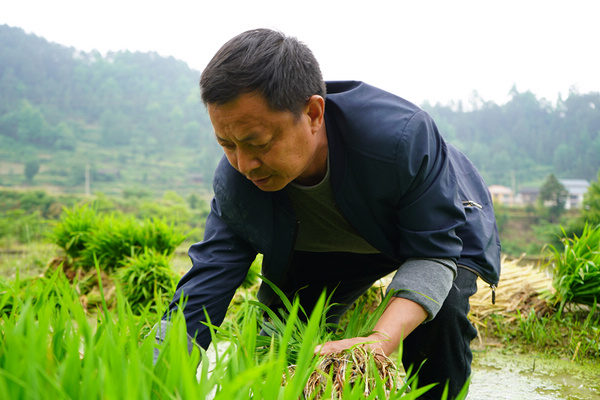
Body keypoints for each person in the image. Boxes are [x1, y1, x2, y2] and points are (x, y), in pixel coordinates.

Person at [159, 28, 501, 400]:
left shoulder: (399, 140)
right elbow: (204, 290)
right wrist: (150, 369)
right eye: (227, 145)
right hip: (329, 245)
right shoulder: (238, 183)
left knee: (441, 315)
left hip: (436, 229)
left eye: (258, 143)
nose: (245, 164)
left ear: (313, 113)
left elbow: (434, 253)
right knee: (280, 339)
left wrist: (376, 342)